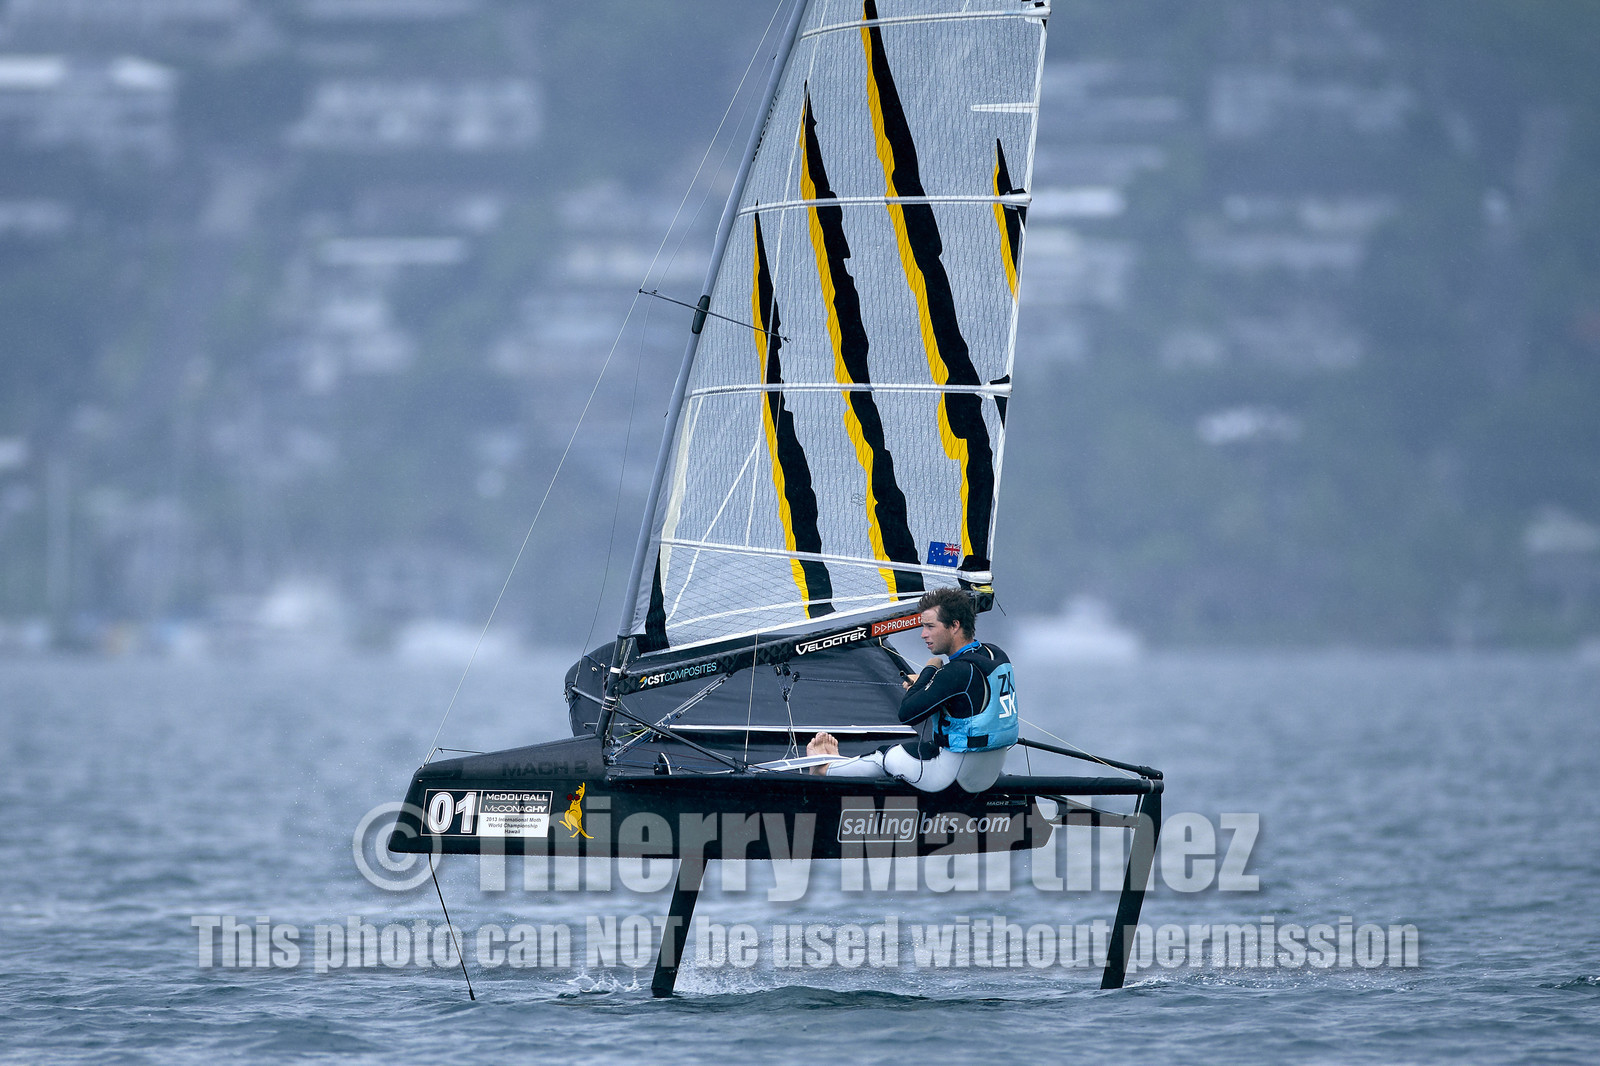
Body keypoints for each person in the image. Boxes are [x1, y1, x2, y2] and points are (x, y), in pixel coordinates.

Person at [806, 587, 1018, 792]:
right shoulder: (995, 654)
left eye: (930, 626)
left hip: (953, 779)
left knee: (885, 757)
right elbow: (969, 694)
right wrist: (935, 680)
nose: (923, 634)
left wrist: (930, 668)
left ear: (954, 625)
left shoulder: (955, 672)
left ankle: (824, 769)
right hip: (987, 773)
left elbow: (907, 713)